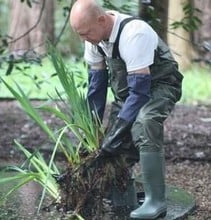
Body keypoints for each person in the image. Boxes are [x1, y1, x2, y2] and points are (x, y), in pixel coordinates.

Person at [69, 0, 183, 219]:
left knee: (144, 122)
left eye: (85, 33)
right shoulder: (93, 38)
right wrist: (91, 132)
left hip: (158, 87)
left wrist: (117, 131)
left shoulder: (134, 33)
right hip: (128, 95)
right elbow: (96, 88)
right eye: (80, 34)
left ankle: (155, 201)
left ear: (101, 20)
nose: (83, 39)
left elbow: (140, 93)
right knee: (114, 143)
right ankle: (123, 196)